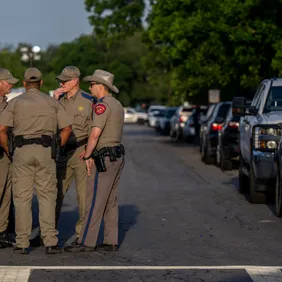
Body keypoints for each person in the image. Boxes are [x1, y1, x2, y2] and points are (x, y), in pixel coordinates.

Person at [0, 68, 72, 254]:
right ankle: (50, 242)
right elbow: (66, 129)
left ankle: (22, 242)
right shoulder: (51, 102)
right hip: (46, 151)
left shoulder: (15, 103)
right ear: (41, 83)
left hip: (21, 152)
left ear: (24, 84)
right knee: (47, 196)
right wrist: (58, 147)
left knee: (22, 198)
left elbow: (1, 129)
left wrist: (9, 149)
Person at [65, 69, 125, 252]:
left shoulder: (102, 106)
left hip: (104, 157)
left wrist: (88, 154)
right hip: (117, 155)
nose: (90, 87)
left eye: (92, 84)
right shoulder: (117, 104)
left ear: (101, 86)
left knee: (94, 200)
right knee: (110, 200)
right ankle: (110, 240)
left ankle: (86, 241)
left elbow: (95, 134)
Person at [53, 66, 94, 242]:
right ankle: (48, 234)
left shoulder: (88, 100)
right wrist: (53, 100)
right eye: (61, 80)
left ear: (75, 80)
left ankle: (82, 235)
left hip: (80, 151)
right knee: (54, 194)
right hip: (62, 152)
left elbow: (96, 128)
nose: (62, 83)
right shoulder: (58, 100)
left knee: (83, 196)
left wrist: (90, 152)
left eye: (65, 80)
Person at [0, 68, 19, 248]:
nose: (12, 85)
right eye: (8, 82)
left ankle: (1, 232)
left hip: (5, 155)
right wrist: (8, 150)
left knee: (7, 194)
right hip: (3, 152)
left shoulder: (5, 103)